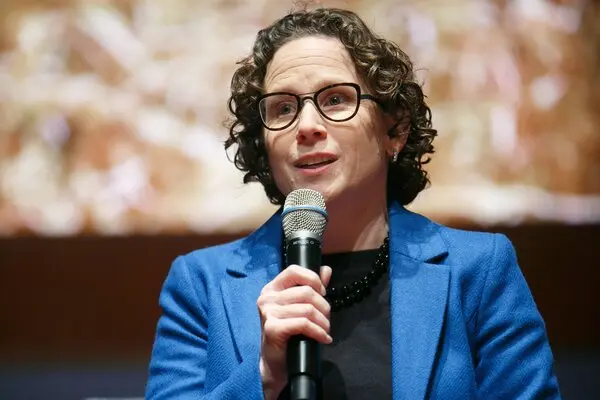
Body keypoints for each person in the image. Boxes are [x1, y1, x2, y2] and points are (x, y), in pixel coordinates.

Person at [146, 7, 561, 399]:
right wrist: (264, 376)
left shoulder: (480, 270)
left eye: (335, 100)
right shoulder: (201, 284)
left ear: (394, 130)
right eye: (283, 108)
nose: (307, 126)